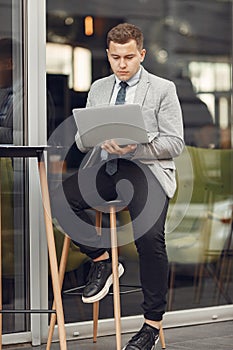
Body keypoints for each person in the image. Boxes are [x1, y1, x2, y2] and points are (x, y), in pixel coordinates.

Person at [52, 23, 184, 349]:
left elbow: (175, 143)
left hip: (146, 171)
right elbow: (83, 142)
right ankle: (103, 261)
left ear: (142, 54)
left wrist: (135, 147)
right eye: (115, 58)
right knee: (60, 199)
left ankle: (150, 326)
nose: (122, 65)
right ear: (109, 56)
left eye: (128, 57)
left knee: (150, 239)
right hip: (108, 168)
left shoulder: (162, 89)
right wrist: (97, 136)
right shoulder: (98, 88)